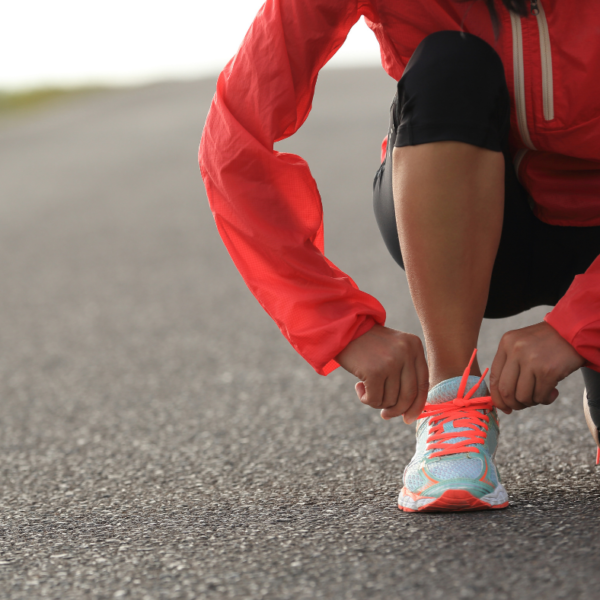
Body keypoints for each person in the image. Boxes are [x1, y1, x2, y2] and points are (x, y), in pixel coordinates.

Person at [200, 0, 600, 512]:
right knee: (449, 64)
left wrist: (580, 326)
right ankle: (452, 403)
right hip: (477, 225)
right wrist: (340, 327)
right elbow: (233, 144)